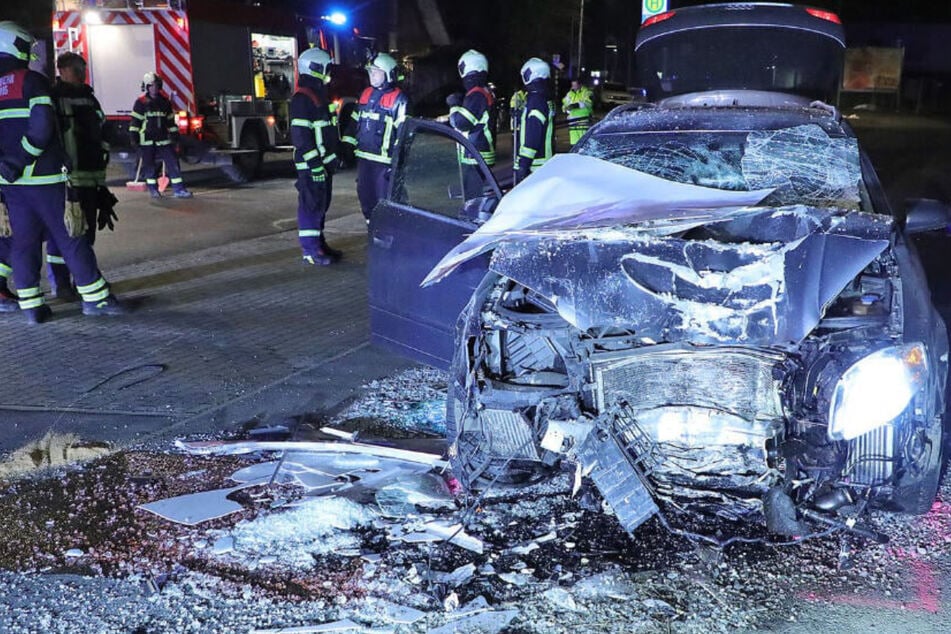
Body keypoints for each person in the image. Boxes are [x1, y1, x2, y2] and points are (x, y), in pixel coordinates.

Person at [0, 21, 125, 323]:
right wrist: (22, 160)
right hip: (46, 179)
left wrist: (7, 168)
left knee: (24, 242)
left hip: (12, 185)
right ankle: (96, 300)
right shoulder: (32, 81)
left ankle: (32, 307)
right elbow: (42, 129)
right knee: (72, 235)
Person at [48, 51, 116, 301]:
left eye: (83, 69)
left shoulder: (89, 97)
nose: (80, 74)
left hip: (91, 177)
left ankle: (84, 280)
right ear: (62, 70)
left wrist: (104, 156)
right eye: (76, 69)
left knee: (86, 233)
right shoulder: (54, 98)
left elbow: (102, 129)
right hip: (68, 179)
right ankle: (62, 284)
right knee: (64, 233)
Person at [341, 52, 408, 226]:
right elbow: (354, 123)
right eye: (371, 72)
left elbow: (403, 134)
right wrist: (346, 148)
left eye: (376, 72)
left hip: (384, 163)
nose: (372, 76)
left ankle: (391, 236)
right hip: (364, 161)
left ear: (389, 74)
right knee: (366, 199)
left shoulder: (399, 99)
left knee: (387, 202)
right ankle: (373, 232)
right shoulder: (365, 94)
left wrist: (397, 163)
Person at [290, 47, 342, 266]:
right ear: (315, 68)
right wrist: (315, 165)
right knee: (310, 207)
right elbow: (301, 137)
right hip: (312, 166)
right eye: (326, 67)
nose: (328, 72)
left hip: (323, 164)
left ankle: (320, 244)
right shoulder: (303, 99)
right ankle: (311, 251)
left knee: (320, 205)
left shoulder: (318, 95)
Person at [129, 71, 192, 199]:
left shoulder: (165, 102)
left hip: (163, 140)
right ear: (146, 87)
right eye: (152, 85)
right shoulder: (140, 102)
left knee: (173, 163)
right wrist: (134, 138)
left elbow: (170, 121)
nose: (155, 88)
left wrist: (175, 136)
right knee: (149, 167)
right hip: (146, 141)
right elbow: (135, 122)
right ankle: (153, 190)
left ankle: (179, 190)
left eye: (157, 85)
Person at [448, 49, 495, 199]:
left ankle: (472, 220)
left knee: (472, 198)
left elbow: (461, 123)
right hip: (478, 152)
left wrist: (454, 105)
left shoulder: (476, 94)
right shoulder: (482, 91)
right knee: (475, 194)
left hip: (475, 154)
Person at [514, 58, 556, 185]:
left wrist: (524, 164)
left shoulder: (536, 100)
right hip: (540, 163)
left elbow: (533, 134)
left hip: (535, 165)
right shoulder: (542, 97)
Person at [562, 78, 593, 147]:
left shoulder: (586, 92)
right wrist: (566, 109)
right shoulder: (569, 94)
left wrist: (576, 105)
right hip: (572, 120)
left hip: (583, 120)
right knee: (573, 142)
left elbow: (588, 103)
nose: (573, 87)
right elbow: (564, 104)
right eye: (572, 85)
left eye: (575, 85)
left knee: (583, 142)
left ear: (580, 85)